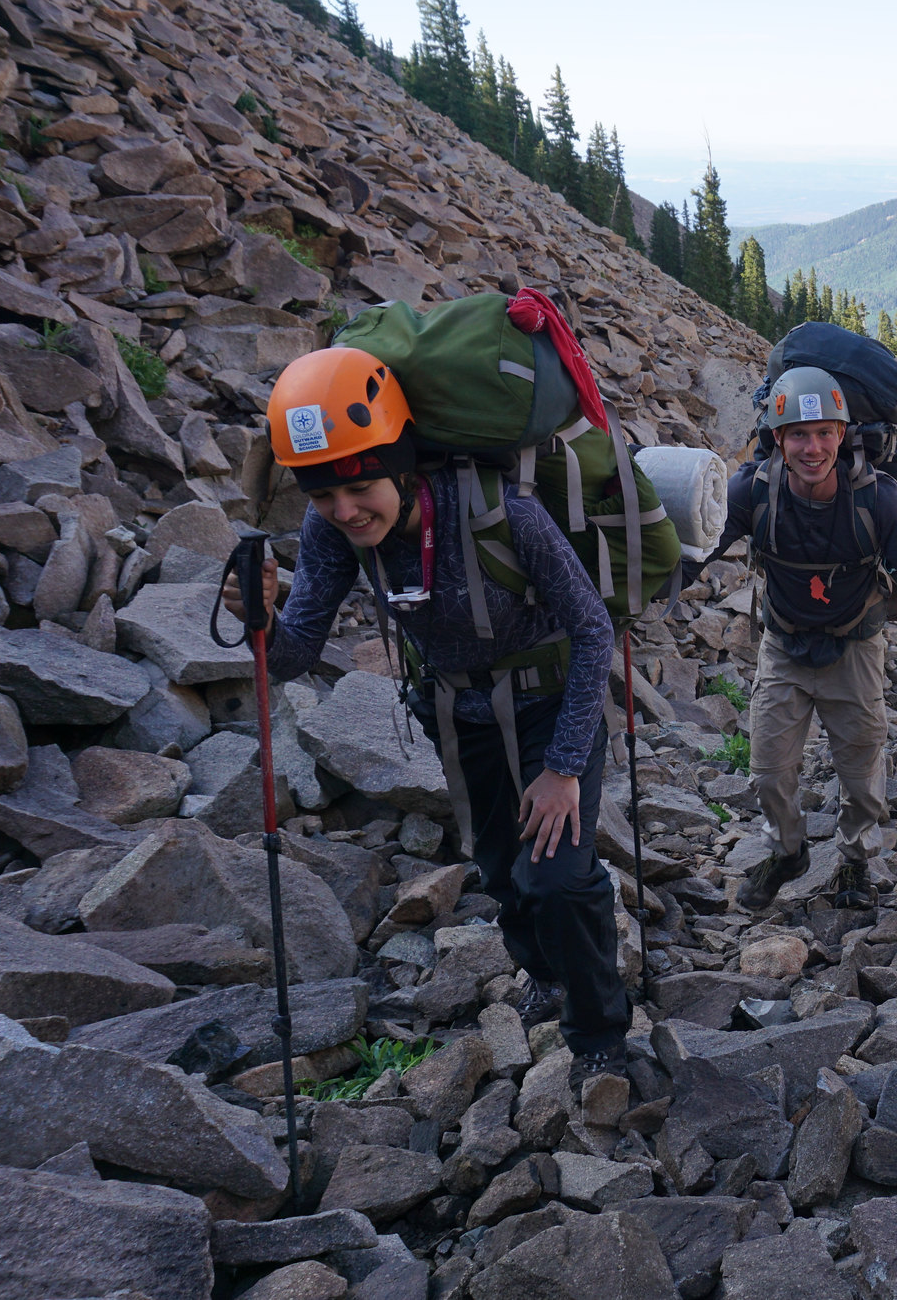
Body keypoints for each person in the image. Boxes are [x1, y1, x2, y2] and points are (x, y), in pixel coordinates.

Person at [224, 347, 630, 1085]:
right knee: (501, 867)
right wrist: (261, 619)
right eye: (323, 496)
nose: (346, 511)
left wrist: (564, 767)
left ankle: (601, 1034)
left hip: (551, 699)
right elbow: (292, 655)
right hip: (456, 709)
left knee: (559, 878)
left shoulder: (504, 510)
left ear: (401, 464)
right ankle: (547, 973)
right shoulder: (333, 534)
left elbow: (594, 628)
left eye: (359, 487)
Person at [708, 366, 897, 911]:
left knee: (861, 771)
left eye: (824, 434)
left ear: (842, 435)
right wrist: (652, 587)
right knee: (770, 769)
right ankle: (788, 851)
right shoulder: (753, 491)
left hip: (855, 647)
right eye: (798, 434)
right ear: (777, 439)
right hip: (785, 646)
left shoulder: (877, 498)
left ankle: (855, 862)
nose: (812, 447)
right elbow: (704, 543)